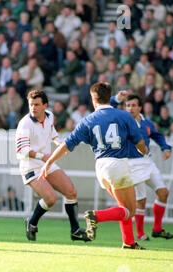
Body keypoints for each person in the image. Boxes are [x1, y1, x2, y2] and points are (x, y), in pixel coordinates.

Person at [41, 82, 149, 250]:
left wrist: (49, 161)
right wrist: (144, 151)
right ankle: (96, 216)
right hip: (118, 165)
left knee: (122, 205)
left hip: (100, 167)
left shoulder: (88, 120)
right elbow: (140, 143)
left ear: (94, 99)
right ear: (110, 96)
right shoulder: (124, 116)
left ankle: (129, 242)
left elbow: (67, 144)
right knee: (130, 210)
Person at [16, 89, 89, 242]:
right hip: (31, 166)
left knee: (71, 192)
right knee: (50, 199)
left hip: (46, 163)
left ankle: (75, 230)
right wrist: (44, 157)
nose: (33, 108)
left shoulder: (49, 116)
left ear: (45, 105)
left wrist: (57, 142)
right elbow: (23, 150)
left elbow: (52, 132)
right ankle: (32, 222)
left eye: (36, 104)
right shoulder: (25, 123)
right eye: (31, 105)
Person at [121, 94, 173, 240]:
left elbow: (157, 136)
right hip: (132, 164)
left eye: (133, 105)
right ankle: (140, 234)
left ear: (139, 107)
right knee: (141, 200)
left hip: (147, 162)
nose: (130, 108)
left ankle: (157, 229)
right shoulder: (123, 123)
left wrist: (165, 147)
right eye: (128, 105)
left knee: (163, 192)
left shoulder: (147, 123)